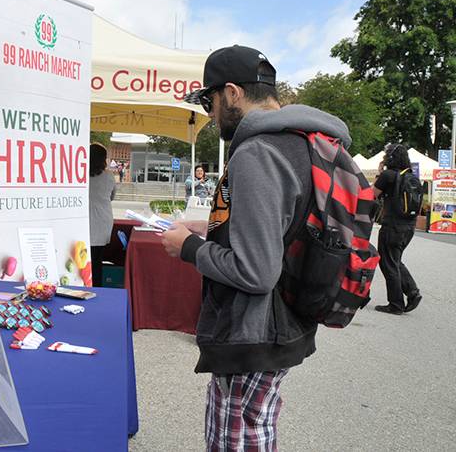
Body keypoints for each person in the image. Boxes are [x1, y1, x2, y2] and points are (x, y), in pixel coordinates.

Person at [161, 45, 350, 450]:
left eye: (210, 101)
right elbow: (278, 227)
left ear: (232, 93)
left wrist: (190, 247)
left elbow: (256, 271)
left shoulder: (258, 151)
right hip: (287, 319)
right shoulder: (302, 143)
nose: (210, 116)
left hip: (254, 329)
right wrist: (210, 227)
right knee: (256, 427)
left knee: (238, 439)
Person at [372, 143, 422, 315]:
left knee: (388, 263)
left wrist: (379, 171)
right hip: (409, 227)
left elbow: (372, 195)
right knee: (395, 260)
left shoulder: (387, 175)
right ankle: (412, 292)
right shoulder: (410, 176)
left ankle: (396, 304)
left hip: (392, 226)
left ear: (389, 157)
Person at [89, 143, 116, 287]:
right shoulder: (109, 177)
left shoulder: (78, 175)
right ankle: (98, 287)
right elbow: (112, 196)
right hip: (103, 221)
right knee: (97, 259)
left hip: (84, 221)